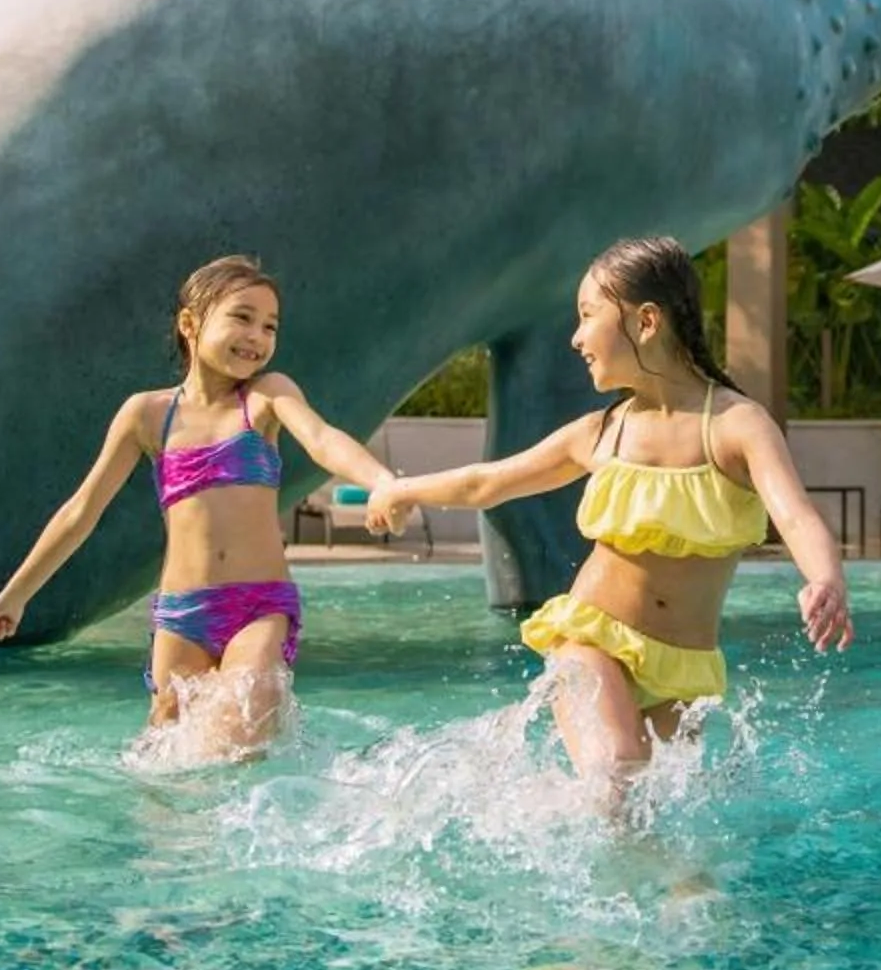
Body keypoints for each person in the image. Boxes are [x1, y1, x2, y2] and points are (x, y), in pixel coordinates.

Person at [366, 236, 853, 781]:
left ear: (646, 322)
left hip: (684, 667)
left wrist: (824, 578)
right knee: (620, 773)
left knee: (665, 825)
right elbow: (487, 483)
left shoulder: (736, 426)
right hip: (594, 640)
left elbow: (794, 515)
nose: (575, 338)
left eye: (587, 315)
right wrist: (402, 491)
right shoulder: (602, 433)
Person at [0, 254, 394, 756]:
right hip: (182, 614)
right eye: (241, 317)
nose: (257, 336)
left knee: (241, 728)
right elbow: (81, 511)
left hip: (260, 604)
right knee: (167, 758)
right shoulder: (147, 415)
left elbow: (323, 439)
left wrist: (381, 481)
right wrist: (17, 595)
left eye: (270, 326)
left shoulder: (264, 397)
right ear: (190, 324)